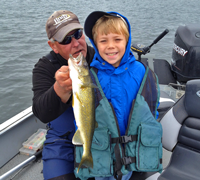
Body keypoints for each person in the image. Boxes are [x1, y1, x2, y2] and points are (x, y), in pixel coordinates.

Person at [73, 11, 162, 180]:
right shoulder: (89, 77)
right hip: (102, 155)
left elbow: (151, 110)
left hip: (133, 156)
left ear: (127, 41)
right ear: (95, 43)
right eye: (103, 41)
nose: (111, 46)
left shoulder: (142, 73)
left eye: (117, 39)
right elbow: (81, 114)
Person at [32, 10, 95, 180]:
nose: (75, 43)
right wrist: (58, 90)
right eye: (66, 39)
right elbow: (40, 112)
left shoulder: (99, 57)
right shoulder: (44, 67)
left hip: (97, 133)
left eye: (78, 34)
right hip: (61, 139)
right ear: (53, 45)